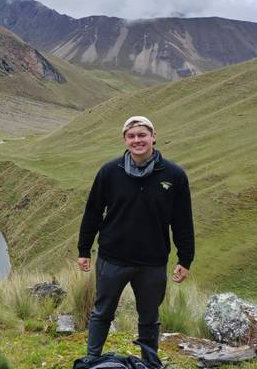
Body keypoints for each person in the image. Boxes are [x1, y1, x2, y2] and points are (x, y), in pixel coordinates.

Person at [77, 116, 195, 361]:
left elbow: (182, 221)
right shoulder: (109, 172)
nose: (137, 140)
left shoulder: (174, 175)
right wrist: (84, 250)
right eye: (131, 136)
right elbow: (93, 212)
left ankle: (150, 363)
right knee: (102, 312)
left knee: (149, 317)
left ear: (153, 137)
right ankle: (91, 360)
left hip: (152, 262)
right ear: (125, 140)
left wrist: (185, 259)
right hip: (112, 258)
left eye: (142, 135)